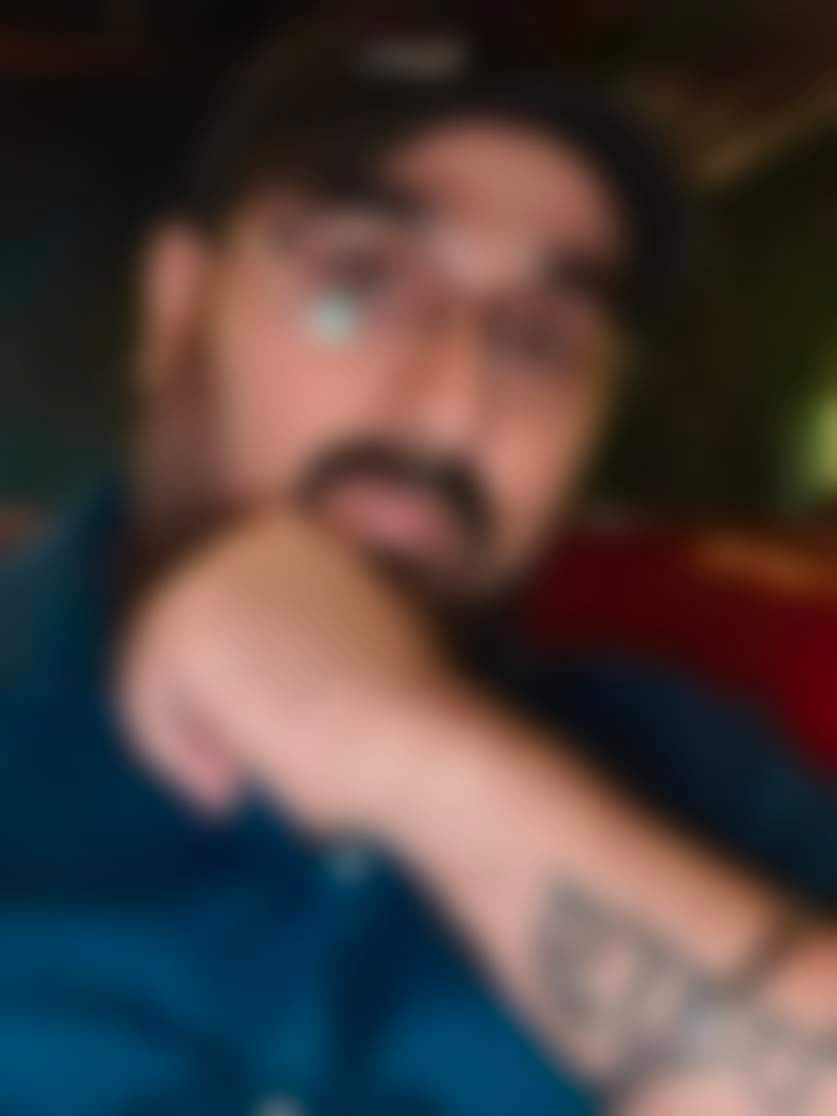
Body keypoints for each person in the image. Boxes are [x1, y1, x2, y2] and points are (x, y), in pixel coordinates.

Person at [2, 27, 835, 1116]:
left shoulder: (704, 782)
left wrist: (408, 750)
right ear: (177, 307)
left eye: (539, 340)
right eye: (357, 282)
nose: (450, 409)